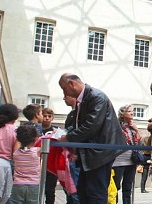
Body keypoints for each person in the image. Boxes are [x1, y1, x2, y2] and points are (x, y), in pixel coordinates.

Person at [58, 73, 124, 203]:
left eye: (64, 88)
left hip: (100, 152)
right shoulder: (84, 99)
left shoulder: (96, 96)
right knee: (83, 191)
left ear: (72, 83)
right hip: (91, 152)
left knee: (96, 192)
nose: (65, 93)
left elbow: (91, 125)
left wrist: (68, 138)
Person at [113, 105, 141, 204]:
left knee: (128, 187)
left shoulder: (132, 127)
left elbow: (138, 141)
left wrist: (137, 130)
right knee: (115, 187)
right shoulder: (116, 125)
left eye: (132, 111)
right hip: (118, 161)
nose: (132, 113)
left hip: (131, 160)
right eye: (129, 111)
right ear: (122, 113)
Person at [10, 124, 42, 204]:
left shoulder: (16, 153)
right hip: (34, 185)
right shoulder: (38, 151)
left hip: (18, 184)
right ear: (35, 138)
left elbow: (18, 145)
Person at [62, 94, 80, 204]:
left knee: (75, 189)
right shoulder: (71, 115)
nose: (64, 98)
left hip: (75, 156)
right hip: (70, 156)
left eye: (66, 95)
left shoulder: (79, 114)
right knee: (70, 189)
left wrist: (74, 152)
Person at [42, 107, 59, 204]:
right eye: (45, 116)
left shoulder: (55, 130)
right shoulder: (36, 129)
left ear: (52, 118)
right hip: (38, 163)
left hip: (51, 164)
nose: (47, 118)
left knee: (50, 190)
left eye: (49, 116)